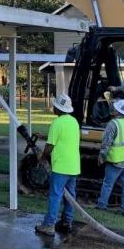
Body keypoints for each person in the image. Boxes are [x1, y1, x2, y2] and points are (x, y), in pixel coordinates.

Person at [35, 94, 81, 236]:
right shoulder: (74, 121)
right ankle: (67, 222)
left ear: (59, 109)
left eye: (55, 106)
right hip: (73, 166)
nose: (53, 107)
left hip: (60, 166)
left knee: (55, 195)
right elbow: (64, 138)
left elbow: (50, 145)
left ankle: (49, 225)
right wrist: (44, 136)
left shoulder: (57, 123)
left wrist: (42, 157)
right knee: (70, 196)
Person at [96, 99, 124, 215]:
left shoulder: (113, 124)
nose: (113, 110)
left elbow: (106, 142)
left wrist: (101, 157)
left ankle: (102, 205)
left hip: (115, 161)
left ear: (118, 112)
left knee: (108, 184)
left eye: (115, 109)